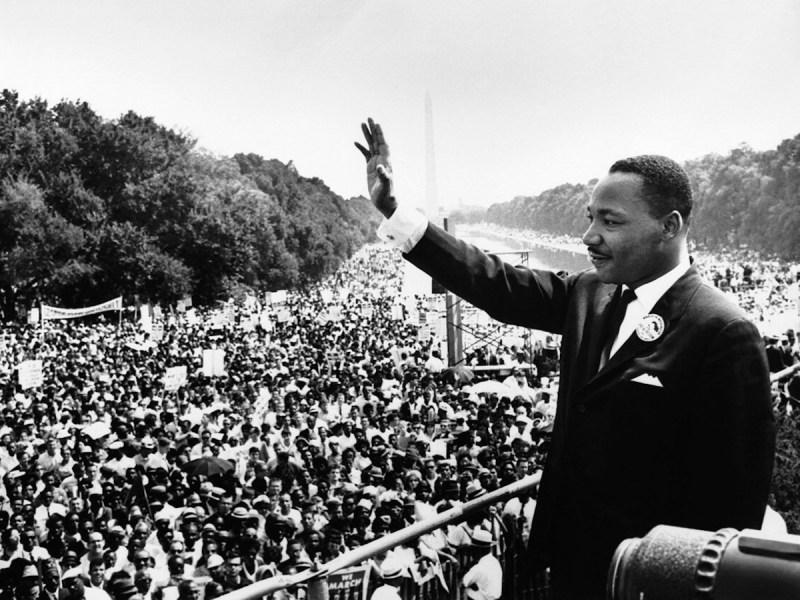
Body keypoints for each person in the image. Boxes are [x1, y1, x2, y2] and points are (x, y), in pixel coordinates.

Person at [356, 118, 776, 599]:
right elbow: (493, 282)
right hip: (571, 566)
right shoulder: (589, 292)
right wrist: (394, 211)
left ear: (670, 226)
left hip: (646, 580)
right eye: (590, 218)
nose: (588, 236)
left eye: (610, 222)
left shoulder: (722, 331)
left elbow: (731, 505)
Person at [461, 528, 502, 600]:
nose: (471, 552)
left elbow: (463, 583)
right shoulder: (495, 562)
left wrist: (470, 584)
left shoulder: (479, 568)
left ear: (478, 550)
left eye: (473, 549)